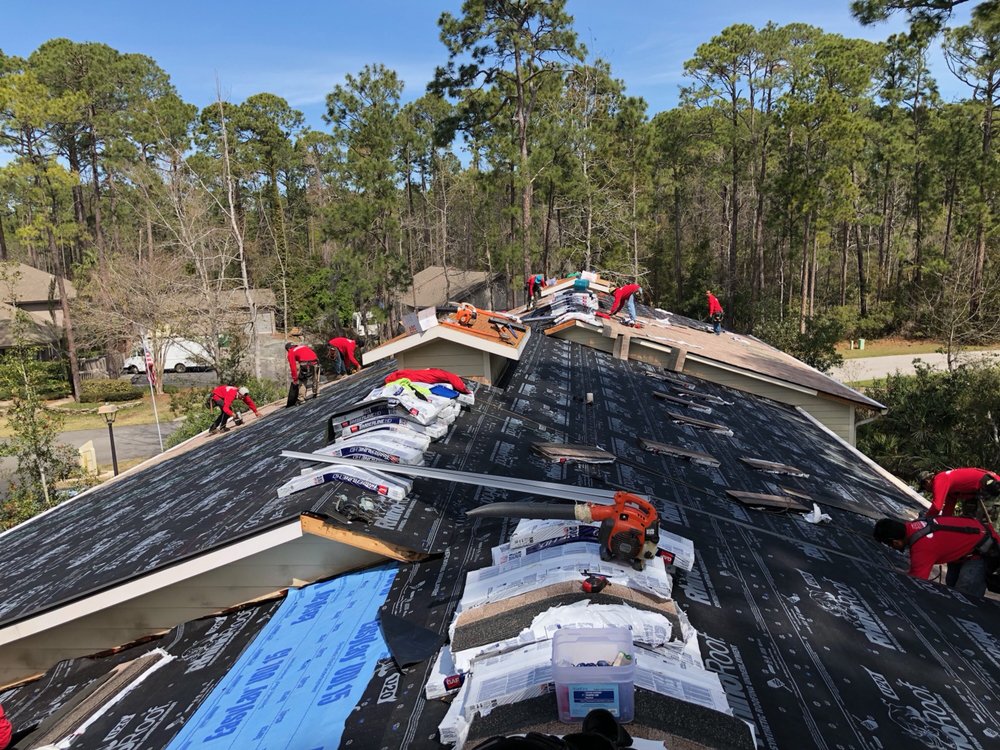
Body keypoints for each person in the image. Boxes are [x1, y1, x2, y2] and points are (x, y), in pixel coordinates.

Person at [873, 515, 1000, 598]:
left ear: (895, 542)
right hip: (969, 544)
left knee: (964, 598)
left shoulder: (922, 548)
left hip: (983, 551)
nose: (892, 547)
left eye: (890, 545)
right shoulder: (916, 524)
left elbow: (916, 583)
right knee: (951, 585)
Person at [918, 467, 1000, 519]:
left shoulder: (939, 479)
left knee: (985, 524)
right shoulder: (950, 489)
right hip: (983, 488)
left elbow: (937, 507)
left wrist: (926, 519)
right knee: (968, 519)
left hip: (990, 485)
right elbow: (948, 511)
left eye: (924, 488)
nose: (927, 491)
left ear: (927, 481)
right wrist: (943, 522)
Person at [285, 342, 320, 407]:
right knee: (315, 377)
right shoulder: (302, 347)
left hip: (305, 363)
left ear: (288, 349)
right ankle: (317, 392)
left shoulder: (291, 352)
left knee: (302, 380)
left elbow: (293, 367)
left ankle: (301, 399)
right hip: (315, 361)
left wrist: (295, 379)